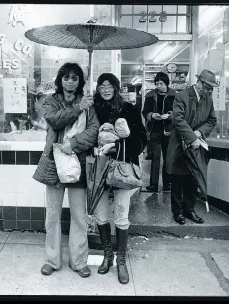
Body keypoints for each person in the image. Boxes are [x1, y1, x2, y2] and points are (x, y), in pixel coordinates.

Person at [33, 62, 100, 278]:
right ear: (60, 80)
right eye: (66, 77)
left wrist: (76, 142)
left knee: (79, 216)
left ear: (80, 81)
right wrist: (78, 107)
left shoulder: (89, 102)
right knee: (52, 216)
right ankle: (52, 260)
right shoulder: (51, 101)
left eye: (75, 78)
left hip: (78, 164)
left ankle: (79, 261)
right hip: (54, 163)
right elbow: (54, 120)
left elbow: (94, 131)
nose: (70, 81)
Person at [93, 73, 148, 285]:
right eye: (101, 86)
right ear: (98, 89)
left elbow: (141, 139)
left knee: (122, 214)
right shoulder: (93, 110)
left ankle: (121, 260)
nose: (105, 89)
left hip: (122, 169)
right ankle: (107, 255)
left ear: (116, 88)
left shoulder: (129, 109)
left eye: (109, 86)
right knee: (101, 214)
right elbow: (88, 135)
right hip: (98, 167)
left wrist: (115, 147)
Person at [166, 69, 218, 225]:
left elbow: (212, 120)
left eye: (211, 88)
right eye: (207, 87)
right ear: (199, 82)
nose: (209, 91)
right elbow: (178, 120)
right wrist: (192, 137)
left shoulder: (208, 99)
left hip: (195, 146)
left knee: (192, 179)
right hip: (178, 146)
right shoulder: (181, 96)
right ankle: (177, 212)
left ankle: (190, 210)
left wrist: (199, 133)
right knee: (177, 180)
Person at [142, 72, 177, 193]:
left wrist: (170, 115)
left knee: (169, 158)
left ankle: (168, 184)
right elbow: (144, 112)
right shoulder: (150, 96)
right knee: (155, 158)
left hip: (169, 131)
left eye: (161, 83)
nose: (159, 86)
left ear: (166, 83)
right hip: (154, 130)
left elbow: (179, 112)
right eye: (157, 84)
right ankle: (153, 185)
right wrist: (152, 115)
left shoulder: (175, 96)